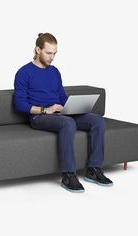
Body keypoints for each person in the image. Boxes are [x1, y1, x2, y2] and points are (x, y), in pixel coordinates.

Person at [13, 32, 113, 193]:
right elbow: (20, 105)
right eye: (48, 53)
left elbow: (62, 97)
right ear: (37, 50)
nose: (52, 57)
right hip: (39, 116)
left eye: (54, 54)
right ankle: (68, 175)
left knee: (97, 120)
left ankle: (93, 169)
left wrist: (74, 107)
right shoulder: (23, 72)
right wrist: (47, 110)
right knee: (68, 123)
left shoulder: (55, 72)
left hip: (61, 114)